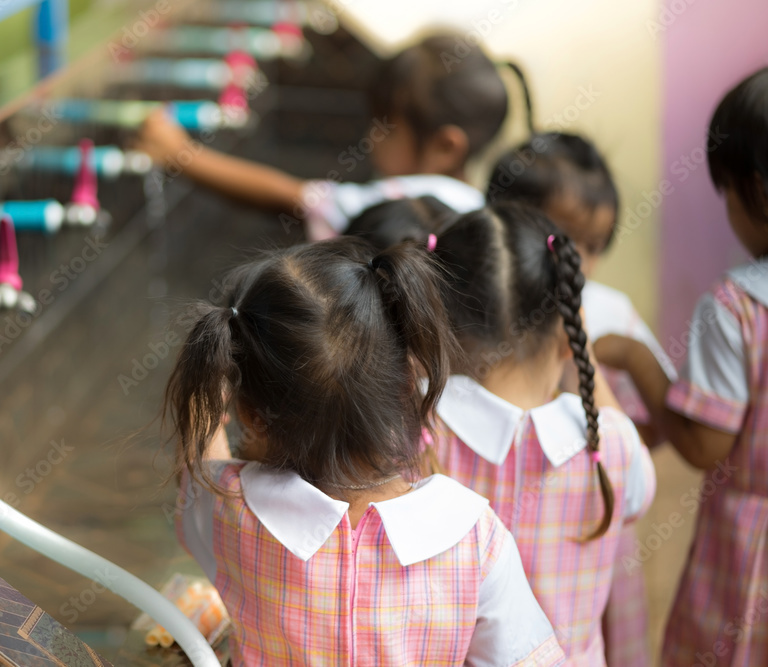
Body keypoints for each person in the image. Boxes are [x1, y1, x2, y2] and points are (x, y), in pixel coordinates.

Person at [166, 237, 564, 665]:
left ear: (250, 413)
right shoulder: (474, 537)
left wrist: (203, 411)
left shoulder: (227, 508)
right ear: (408, 382)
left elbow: (197, 473)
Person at [350, 199, 655, 663]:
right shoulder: (611, 443)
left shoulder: (404, 432)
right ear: (569, 330)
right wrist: (583, 351)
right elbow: (639, 494)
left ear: (439, 319)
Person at [590, 67, 768, 666]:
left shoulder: (739, 305)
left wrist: (638, 360)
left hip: (751, 549)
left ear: (759, 191)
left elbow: (704, 445)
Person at [487, 131, 674, 666]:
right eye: (564, 242)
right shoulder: (480, 313)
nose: (581, 264)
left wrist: (628, 361)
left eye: (594, 246)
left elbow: (653, 430)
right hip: (501, 517)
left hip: (585, 529)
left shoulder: (610, 312)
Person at [136, 32, 516, 241]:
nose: (373, 136)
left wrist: (178, 153)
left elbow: (294, 199)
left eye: (387, 126)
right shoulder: (473, 205)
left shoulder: (419, 205)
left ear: (445, 146)